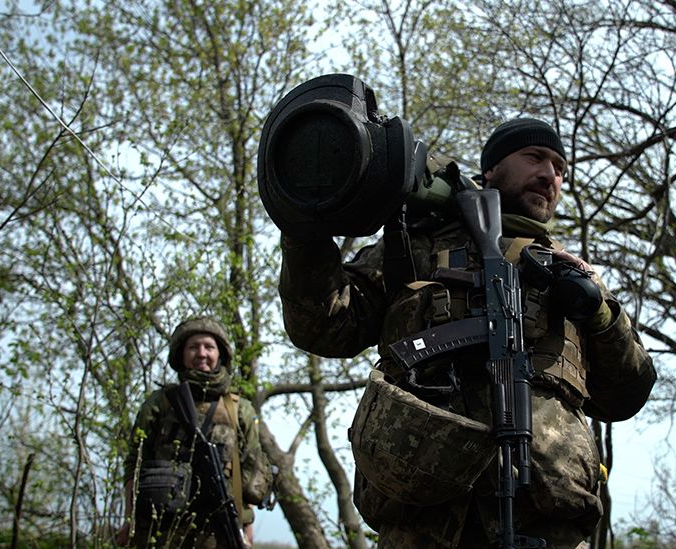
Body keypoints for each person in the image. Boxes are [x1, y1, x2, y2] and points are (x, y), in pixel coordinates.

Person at [279, 118, 656, 548]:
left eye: (559, 167)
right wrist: (303, 231)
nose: (549, 174)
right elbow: (325, 326)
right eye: (534, 157)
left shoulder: (573, 277)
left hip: (547, 518)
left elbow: (628, 394)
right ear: (491, 170)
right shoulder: (415, 248)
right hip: (423, 516)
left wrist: (602, 315)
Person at [117, 317, 272, 548]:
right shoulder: (160, 403)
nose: (201, 354)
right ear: (181, 354)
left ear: (220, 354)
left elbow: (248, 475)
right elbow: (135, 464)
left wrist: (245, 529)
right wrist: (129, 520)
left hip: (216, 532)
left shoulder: (240, 410)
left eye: (209, 347)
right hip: (159, 529)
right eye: (193, 347)